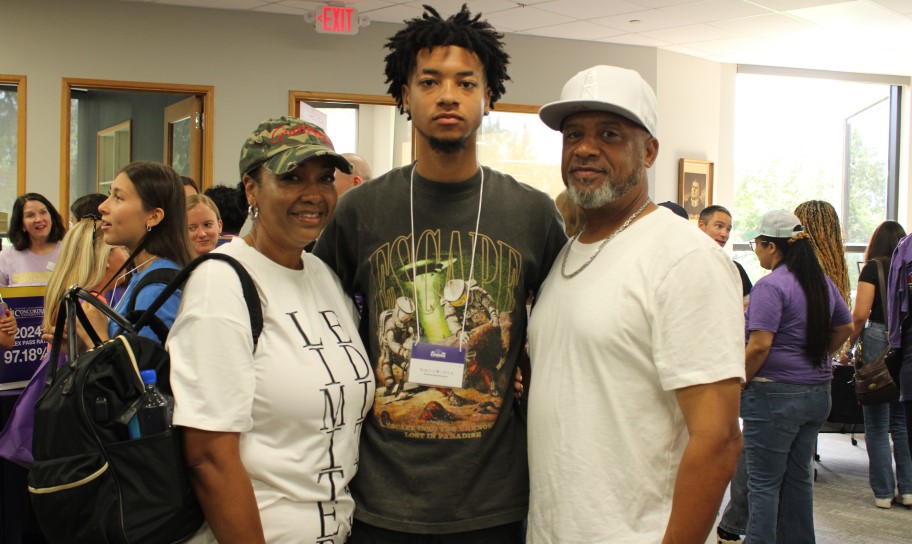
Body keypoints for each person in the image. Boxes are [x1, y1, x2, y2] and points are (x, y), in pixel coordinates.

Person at [313, 5, 567, 541]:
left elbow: (564, 331)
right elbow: (318, 326)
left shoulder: (532, 212)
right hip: (380, 497)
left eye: (465, 82)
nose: (447, 95)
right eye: (429, 81)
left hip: (493, 500)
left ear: (488, 97)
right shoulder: (361, 211)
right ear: (405, 96)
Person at [527, 65, 744, 543]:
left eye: (609, 134)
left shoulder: (686, 258)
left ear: (648, 151)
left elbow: (719, 439)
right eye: (573, 135)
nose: (585, 148)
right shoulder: (571, 249)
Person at [168, 116, 371, 543]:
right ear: (251, 189)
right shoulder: (221, 283)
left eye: (325, 178)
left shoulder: (322, 275)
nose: (313, 194)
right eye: (292, 178)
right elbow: (208, 458)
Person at [740, 209, 853, 542]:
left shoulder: (770, 286)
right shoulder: (821, 282)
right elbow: (845, 327)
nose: (756, 251)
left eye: (756, 244)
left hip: (774, 397)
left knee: (763, 484)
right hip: (817, 393)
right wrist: (816, 355)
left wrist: (741, 380)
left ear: (771, 247)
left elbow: (759, 345)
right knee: (798, 480)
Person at [81, 161, 193, 342]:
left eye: (118, 197)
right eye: (110, 194)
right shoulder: (142, 274)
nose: (102, 206)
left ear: (153, 217)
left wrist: (95, 338)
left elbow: (143, 368)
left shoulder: (158, 289)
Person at [847, 221, 912, 508]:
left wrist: (848, 347)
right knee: (901, 422)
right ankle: (908, 490)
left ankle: (883, 492)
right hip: (903, 343)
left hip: (876, 338)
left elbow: (860, 314)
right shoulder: (906, 265)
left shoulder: (873, 267)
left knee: (875, 422)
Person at [0, 193, 66, 287]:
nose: (39, 219)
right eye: (30, 215)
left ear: (52, 217)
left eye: (43, 212)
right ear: (21, 224)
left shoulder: (70, 253)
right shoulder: (5, 257)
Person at [698, 205, 753, 305]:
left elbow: (750, 304)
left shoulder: (735, 268)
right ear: (701, 225)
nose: (725, 234)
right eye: (719, 226)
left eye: (728, 229)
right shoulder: (687, 263)